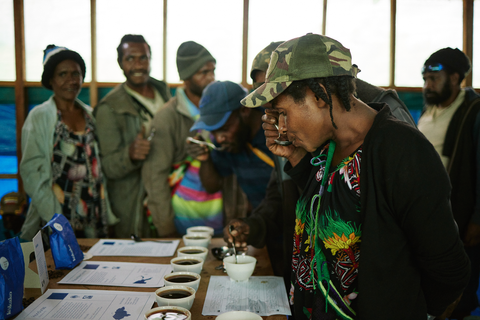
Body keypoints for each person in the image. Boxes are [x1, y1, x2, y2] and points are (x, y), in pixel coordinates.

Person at [241, 33, 470, 319]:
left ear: (320, 95)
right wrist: (296, 157)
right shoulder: (330, 144)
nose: (281, 128)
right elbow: (332, 205)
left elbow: (448, 270)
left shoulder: (401, 151)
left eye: (282, 113)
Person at [223, 41, 417, 288]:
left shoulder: (390, 133)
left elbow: (426, 238)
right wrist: (257, 223)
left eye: (278, 101)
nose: (275, 120)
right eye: (267, 102)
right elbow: (304, 194)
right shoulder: (300, 128)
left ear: (315, 93)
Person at [20, 45, 118, 241]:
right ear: (51, 80)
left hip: (93, 213)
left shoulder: (90, 116)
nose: (71, 80)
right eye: (62, 74)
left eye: (76, 73)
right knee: (58, 268)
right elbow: (31, 172)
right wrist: (55, 220)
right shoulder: (39, 117)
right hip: (56, 216)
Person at [418, 47, 480, 319]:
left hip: (459, 213)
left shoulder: (474, 112)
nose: (428, 85)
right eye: (425, 78)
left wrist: (477, 219)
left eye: (434, 79)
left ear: (455, 79)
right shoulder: (428, 109)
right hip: (426, 214)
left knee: (459, 291)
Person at [94, 35, 170, 238]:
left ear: (150, 59)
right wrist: (130, 154)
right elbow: (107, 166)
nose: (138, 65)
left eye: (143, 58)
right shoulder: (109, 108)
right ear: (120, 63)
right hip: (135, 207)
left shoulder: (164, 92)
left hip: (170, 194)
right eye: (130, 59)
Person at [142, 41, 220, 236]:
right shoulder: (167, 117)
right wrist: (167, 231)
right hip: (182, 221)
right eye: (203, 72)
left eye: (213, 70)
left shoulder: (220, 111)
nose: (211, 78)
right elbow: (155, 177)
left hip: (218, 217)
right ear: (185, 77)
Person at [189, 80, 274, 219]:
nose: (219, 138)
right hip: (264, 224)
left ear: (245, 110)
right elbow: (213, 186)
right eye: (213, 132)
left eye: (224, 129)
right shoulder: (230, 144)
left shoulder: (278, 131)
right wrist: (205, 159)